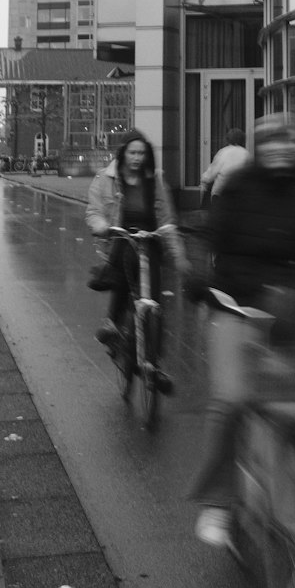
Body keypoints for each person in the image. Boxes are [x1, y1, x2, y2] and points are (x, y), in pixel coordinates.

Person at [189, 111, 295, 547]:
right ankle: (218, 501)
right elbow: (212, 240)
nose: (279, 149)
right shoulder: (240, 187)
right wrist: (204, 281)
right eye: (270, 142)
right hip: (236, 303)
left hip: (292, 305)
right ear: (260, 147)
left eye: (287, 141)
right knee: (231, 400)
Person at [85, 130, 186, 394]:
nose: (137, 158)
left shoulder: (156, 181)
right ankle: (112, 323)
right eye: (133, 153)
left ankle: (153, 364)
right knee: (126, 259)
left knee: (153, 306)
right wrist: (102, 227)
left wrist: (179, 255)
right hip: (121, 239)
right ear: (123, 153)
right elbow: (94, 211)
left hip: (150, 242)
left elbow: (167, 218)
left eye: (142, 153)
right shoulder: (106, 180)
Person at [199, 127, 249, 206]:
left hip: (222, 193)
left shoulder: (223, 152)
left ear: (228, 139)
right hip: (241, 195)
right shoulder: (247, 154)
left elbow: (211, 174)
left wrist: (204, 180)